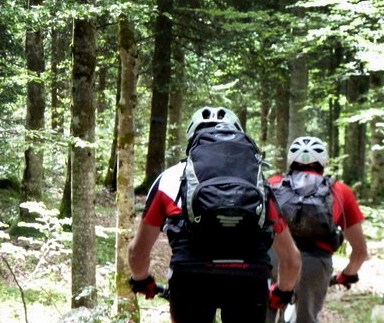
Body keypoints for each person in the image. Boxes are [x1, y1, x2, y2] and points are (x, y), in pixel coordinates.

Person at [128, 106, 301, 323]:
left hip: (191, 276)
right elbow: (291, 259)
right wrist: (282, 292)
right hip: (250, 277)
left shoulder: (169, 178)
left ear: (191, 138)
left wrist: (141, 280)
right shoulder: (257, 181)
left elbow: (137, 251)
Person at [266, 136, 368, 323]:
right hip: (314, 265)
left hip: (274, 258)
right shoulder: (340, 191)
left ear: (291, 160)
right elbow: (360, 251)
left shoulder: (272, 184)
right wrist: (347, 274)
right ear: (323, 162)